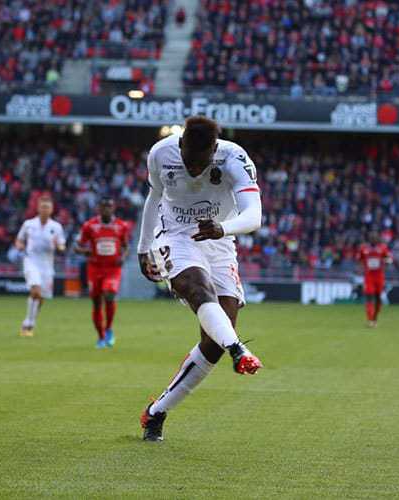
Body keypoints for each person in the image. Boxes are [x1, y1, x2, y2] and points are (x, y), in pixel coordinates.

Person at [136, 116, 263, 442]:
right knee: (197, 289)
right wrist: (144, 246)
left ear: (214, 151)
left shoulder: (234, 157)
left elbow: (253, 216)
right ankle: (237, 349)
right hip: (174, 235)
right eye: (190, 162)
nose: (195, 170)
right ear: (180, 146)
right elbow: (154, 197)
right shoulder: (160, 154)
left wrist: (224, 228)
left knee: (212, 342)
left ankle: (156, 411)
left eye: (202, 163)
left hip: (219, 238)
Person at [75, 198, 131, 348]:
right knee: (96, 302)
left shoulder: (121, 226)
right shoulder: (89, 226)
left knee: (109, 294)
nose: (107, 209)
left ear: (114, 208)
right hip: (95, 268)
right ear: (99, 208)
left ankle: (108, 330)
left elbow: (126, 246)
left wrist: (123, 257)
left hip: (113, 269)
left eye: (110, 206)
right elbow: (77, 246)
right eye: (104, 206)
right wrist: (85, 251)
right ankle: (100, 337)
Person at [14, 195, 66, 337]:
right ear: (38, 208)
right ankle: (28, 324)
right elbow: (19, 240)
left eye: (47, 207)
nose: (44, 209)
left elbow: (62, 245)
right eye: (42, 206)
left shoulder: (56, 227)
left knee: (41, 297)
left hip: (47, 265)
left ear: (51, 209)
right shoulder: (28, 224)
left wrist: (59, 246)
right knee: (35, 291)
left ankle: (29, 322)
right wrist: (20, 246)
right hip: (31, 261)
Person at [357, 231, 392, 328]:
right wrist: (361, 267)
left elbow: (389, 259)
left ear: (377, 239)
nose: (373, 239)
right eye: (371, 237)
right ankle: (370, 320)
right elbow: (359, 259)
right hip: (369, 276)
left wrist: (386, 261)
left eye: (374, 238)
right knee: (369, 297)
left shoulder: (383, 248)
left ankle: (375, 318)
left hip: (379, 276)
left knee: (377, 299)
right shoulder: (364, 248)